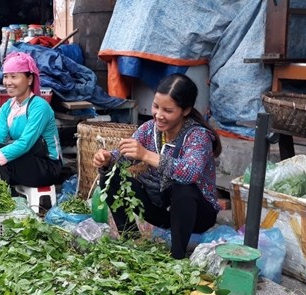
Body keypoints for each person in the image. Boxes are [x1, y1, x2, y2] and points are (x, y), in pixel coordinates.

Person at [93, 73, 222, 259]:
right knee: (110, 176)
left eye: (168, 111)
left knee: (183, 187)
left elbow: (190, 173)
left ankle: (176, 257)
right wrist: (107, 159)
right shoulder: (149, 129)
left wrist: (146, 155)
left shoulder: (197, 136)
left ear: (185, 111)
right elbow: (123, 157)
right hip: (162, 208)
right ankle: (130, 241)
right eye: (156, 107)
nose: (159, 115)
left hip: (196, 215)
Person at [0, 52, 62, 187]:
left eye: (14, 77)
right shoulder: (7, 107)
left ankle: (0, 198)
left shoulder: (40, 106)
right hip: (25, 159)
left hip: (46, 166)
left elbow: (25, 143)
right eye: (5, 77)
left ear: (29, 79)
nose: (8, 82)